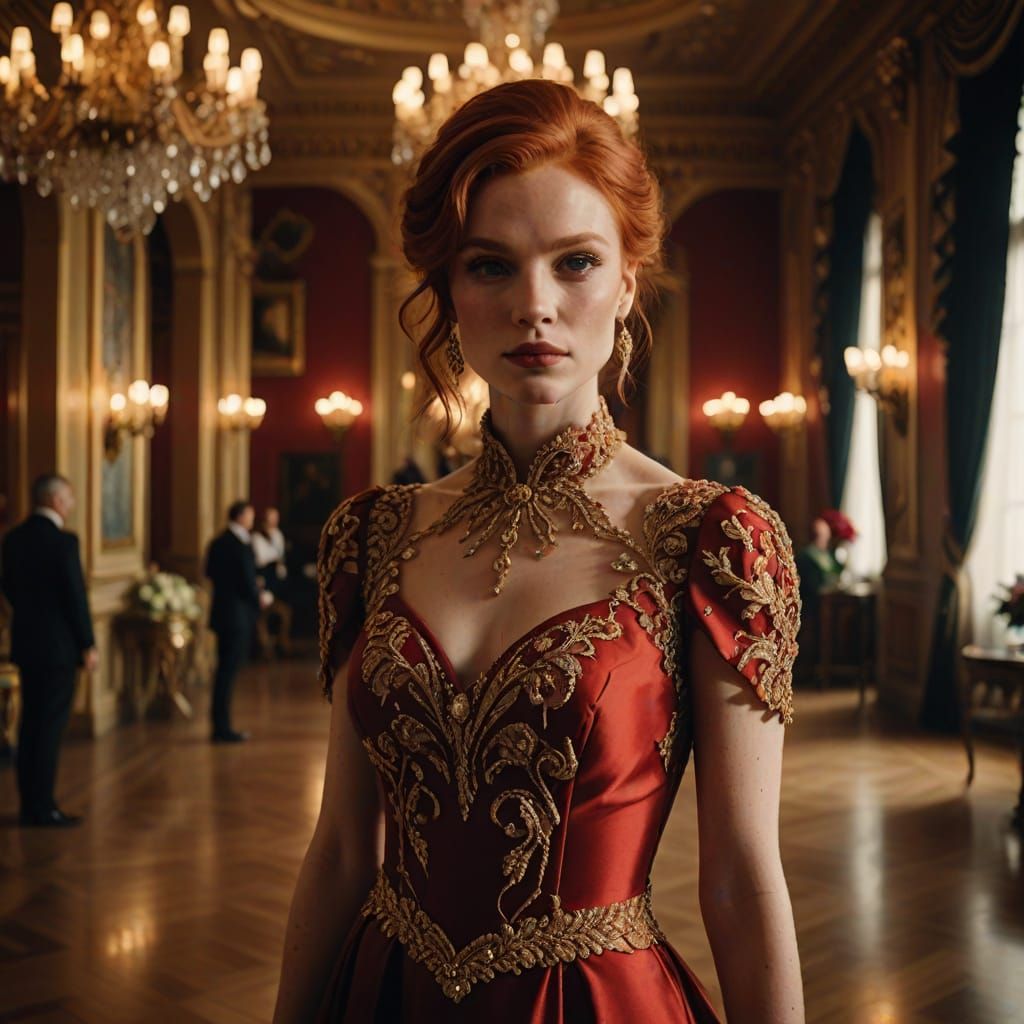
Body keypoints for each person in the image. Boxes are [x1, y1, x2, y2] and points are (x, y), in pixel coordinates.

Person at [275, 80, 803, 1023]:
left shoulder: (709, 537)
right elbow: (342, 852)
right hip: (384, 991)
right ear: (446, 289)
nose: (535, 305)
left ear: (627, 282)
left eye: (574, 262)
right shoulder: (372, 533)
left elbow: (740, 878)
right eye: (490, 266)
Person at [1, 474, 97, 827]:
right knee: (50, 728)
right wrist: (87, 643)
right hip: (59, 649)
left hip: (26, 644)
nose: (71, 506)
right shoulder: (64, 542)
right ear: (56, 501)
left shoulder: (12, 539)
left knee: (30, 726)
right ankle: (44, 807)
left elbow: (8, 588)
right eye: (69, 499)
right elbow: (75, 597)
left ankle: (30, 803)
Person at [205, 500, 270, 742]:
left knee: (224, 671)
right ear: (241, 516)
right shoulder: (239, 544)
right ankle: (222, 728)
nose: (252, 519)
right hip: (236, 616)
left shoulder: (218, 541)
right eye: (250, 515)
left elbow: (209, 572)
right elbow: (245, 579)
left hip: (223, 613)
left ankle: (220, 725)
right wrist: (259, 596)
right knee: (227, 673)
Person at [253, 507, 293, 658]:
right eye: (271, 517)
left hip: (278, 583)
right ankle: (265, 647)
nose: (274, 520)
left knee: (284, 612)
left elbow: (280, 556)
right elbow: (261, 559)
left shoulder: (278, 534)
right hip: (264, 581)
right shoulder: (257, 537)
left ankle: (282, 644)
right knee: (261, 617)